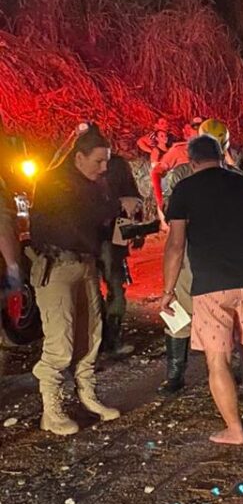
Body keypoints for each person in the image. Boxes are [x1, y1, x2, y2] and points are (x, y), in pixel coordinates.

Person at [161, 134, 243, 444]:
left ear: (192, 162)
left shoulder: (184, 190)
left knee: (218, 359)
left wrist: (168, 289)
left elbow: (175, 245)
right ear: (221, 155)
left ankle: (234, 429)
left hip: (210, 287)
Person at [29, 127, 119, 435]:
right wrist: (112, 208)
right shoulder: (55, 182)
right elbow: (79, 219)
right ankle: (51, 410)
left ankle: (87, 396)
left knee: (90, 336)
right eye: (98, 161)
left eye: (106, 161)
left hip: (85, 264)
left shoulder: (93, 183)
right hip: (58, 266)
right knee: (60, 341)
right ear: (78, 157)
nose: (104, 168)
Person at [155, 122, 219, 394]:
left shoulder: (182, 176)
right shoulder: (232, 177)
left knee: (180, 309)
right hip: (212, 252)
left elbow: (172, 219)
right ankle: (186, 372)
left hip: (194, 250)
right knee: (208, 312)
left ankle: (176, 374)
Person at [98, 152, 143, 357]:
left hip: (110, 235)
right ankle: (105, 340)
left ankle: (110, 338)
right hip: (92, 237)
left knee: (114, 286)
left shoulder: (116, 165)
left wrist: (137, 228)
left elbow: (134, 197)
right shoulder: (72, 166)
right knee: (103, 289)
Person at [150, 116, 204, 219]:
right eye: (195, 128)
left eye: (201, 127)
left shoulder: (217, 151)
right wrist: (160, 201)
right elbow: (156, 172)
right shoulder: (179, 150)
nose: (198, 131)